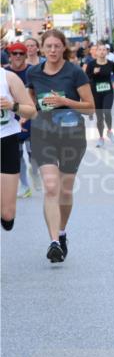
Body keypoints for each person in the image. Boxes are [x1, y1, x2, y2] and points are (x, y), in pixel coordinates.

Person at [25, 29, 95, 263]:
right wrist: (29, 112)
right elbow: (30, 98)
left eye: (57, 46)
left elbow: (90, 107)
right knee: (51, 187)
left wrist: (64, 101)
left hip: (72, 136)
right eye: (49, 46)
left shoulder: (75, 72)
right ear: (42, 48)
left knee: (64, 191)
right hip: (43, 134)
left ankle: (62, 232)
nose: (53, 50)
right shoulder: (34, 72)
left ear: (64, 47)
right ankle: (54, 241)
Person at [1, 68, 38, 231]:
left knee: (8, 215)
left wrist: (12, 105)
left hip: (6, 142)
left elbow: (32, 111)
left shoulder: (8, 78)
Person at [85, 42, 114, 147]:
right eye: (100, 50)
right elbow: (86, 78)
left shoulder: (111, 64)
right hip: (95, 93)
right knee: (99, 117)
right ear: (96, 52)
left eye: (104, 50)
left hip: (108, 92)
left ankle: (110, 131)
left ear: (107, 52)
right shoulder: (91, 64)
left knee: (107, 111)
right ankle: (101, 137)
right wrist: (93, 73)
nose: (102, 51)